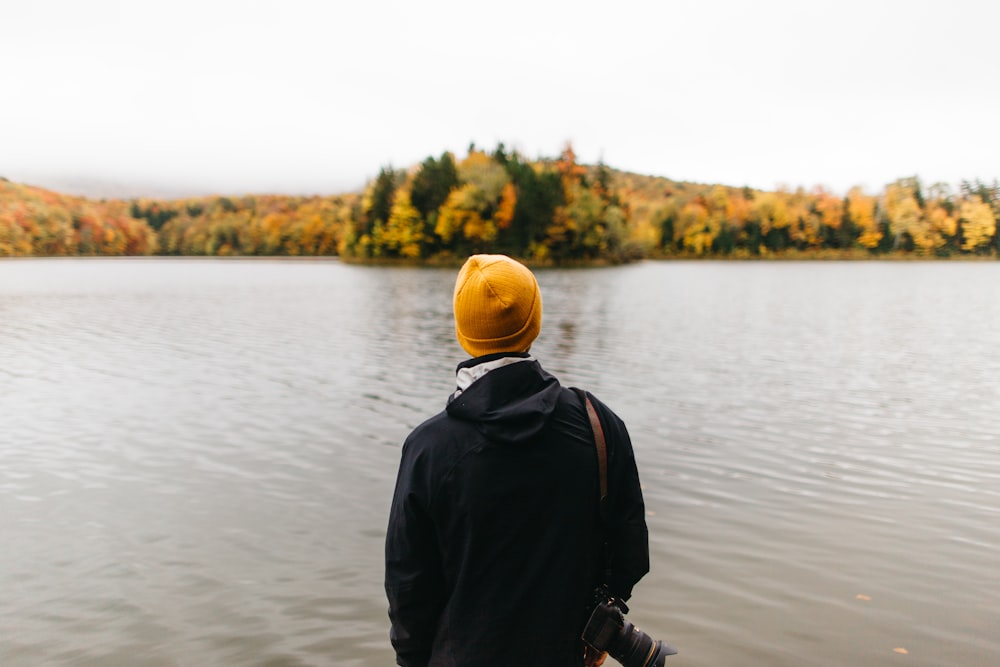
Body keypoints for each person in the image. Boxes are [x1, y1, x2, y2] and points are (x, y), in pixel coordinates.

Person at [385, 254, 650, 667]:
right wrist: (596, 636)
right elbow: (630, 554)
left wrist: (413, 660)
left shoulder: (428, 448)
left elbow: (408, 589)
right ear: (535, 323)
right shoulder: (598, 423)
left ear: (462, 332)